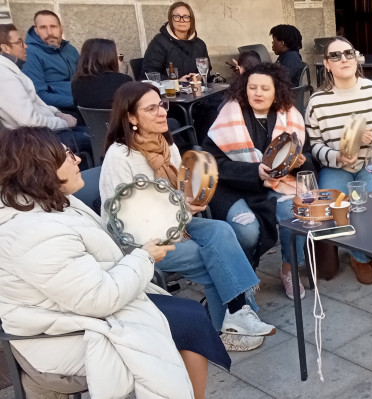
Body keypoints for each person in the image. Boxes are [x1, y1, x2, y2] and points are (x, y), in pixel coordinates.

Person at [0, 126, 230, 399]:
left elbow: (102, 248)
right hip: (64, 333)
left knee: (191, 314)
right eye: (68, 155)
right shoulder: (34, 233)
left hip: (80, 306)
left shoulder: (51, 203)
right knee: (190, 321)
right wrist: (144, 258)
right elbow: (98, 298)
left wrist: (176, 211)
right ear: (42, 169)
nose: (79, 160)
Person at [100, 81, 276, 352]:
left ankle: (235, 319)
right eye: (151, 108)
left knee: (221, 230)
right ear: (131, 118)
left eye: (161, 104)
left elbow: (178, 192)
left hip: (176, 222)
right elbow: (122, 220)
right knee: (214, 260)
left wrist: (187, 203)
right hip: (140, 240)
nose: (162, 112)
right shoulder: (120, 157)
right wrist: (179, 209)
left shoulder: (165, 144)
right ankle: (232, 320)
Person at [204, 62, 315, 300]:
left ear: (277, 91)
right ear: (244, 89)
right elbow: (212, 162)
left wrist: (300, 162)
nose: (258, 93)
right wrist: (254, 172)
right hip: (233, 187)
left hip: (278, 183)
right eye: (252, 87)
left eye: (265, 88)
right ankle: (245, 275)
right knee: (247, 231)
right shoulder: (229, 115)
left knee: (296, 212)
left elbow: (306, 160)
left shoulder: (290, 116)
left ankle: (289, 269)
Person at [306, 36, 372, 285]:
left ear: (356, 58)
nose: (343, 59)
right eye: (335, 56)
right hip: (336, 167)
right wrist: (336, 156)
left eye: (348, 53)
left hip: (371, 162)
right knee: (339, 205)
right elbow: (314, 147)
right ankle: (360, 257)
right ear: (327, 64)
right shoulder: (317, 102)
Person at [23, 11, 80, 113]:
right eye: (43, 28)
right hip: (56, 112)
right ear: (36, 31)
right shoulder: (30, 53)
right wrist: (78, 101)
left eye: (53, 26)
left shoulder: (70, 49)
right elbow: (38, 95)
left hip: (80, 105)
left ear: (61, 28)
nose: (49, 32)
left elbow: (85, 78)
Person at [142, 2, 209, 81]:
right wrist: (176, 82)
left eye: (186, 16)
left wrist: (200, 77)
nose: (182, 20)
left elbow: (207, 71)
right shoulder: (159, 42)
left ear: (191, 21)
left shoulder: (200, 44)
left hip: (195, 90)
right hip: (168, 91)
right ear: (171, 20)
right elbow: (149, 73)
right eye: (177, 16)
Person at [71, 38, 132, 109]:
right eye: (119, 57)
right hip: (118, 120)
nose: (121, 62)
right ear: (109, 59)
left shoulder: (76, 84)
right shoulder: (124, 80)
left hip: (90, 120)